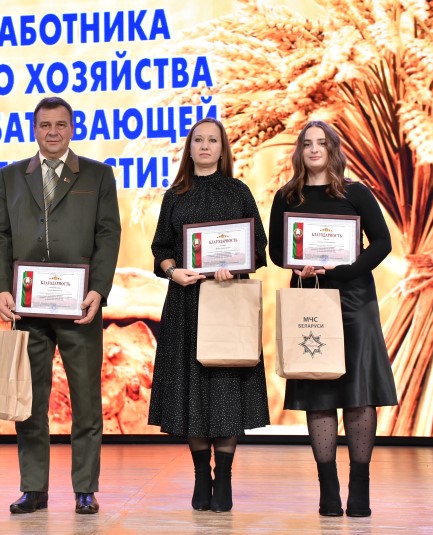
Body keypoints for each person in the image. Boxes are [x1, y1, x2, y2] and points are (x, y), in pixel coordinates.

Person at [0, 96, 121, 515]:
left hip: (79, 306)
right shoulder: (9, 177)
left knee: (86, 401)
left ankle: (85, 488)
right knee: (29, 401)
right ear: (34, 129)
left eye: (60, 125)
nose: (53, 132)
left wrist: (99, 290)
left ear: (72, 128)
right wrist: (1, 288)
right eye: (45, 125)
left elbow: (108, 234)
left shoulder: (98, 175)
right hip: (27, 308)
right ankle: (33, 488)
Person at [268, 120, 398, 517]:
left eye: (321, 143)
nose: (314, 149)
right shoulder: (286, 196)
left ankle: (360, 485)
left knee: (359, 393)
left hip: (354, 299)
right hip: (310, 297)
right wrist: (298, 266)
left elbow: (382, 242)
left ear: (333, 149)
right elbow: (277, 252)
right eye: (307, 143)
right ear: (299, 151)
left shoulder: (356, 193)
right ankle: (328, 488)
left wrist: (346, 270)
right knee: (318, 392)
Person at [149, 117, 270, 512]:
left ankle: (226, 477)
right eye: (198, 140)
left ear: (222, 148)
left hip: (228, 300)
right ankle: (202, 476)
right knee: (192, 389)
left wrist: (234, 267)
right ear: (190, 148)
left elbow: (258, 247)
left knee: (225, 388)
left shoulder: (238, 191)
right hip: (186, 302)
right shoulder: (174, 195)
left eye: (212, 140)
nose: (204, 146)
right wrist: (173, 271)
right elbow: (161, 249)